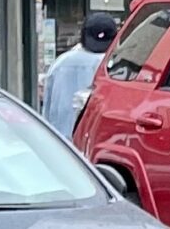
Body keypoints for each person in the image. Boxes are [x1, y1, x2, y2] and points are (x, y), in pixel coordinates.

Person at [39, 13, 118, 143]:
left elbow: (47, 108)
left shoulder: (59, 63)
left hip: (60, 144)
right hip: (95, 144)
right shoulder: (114, 65)